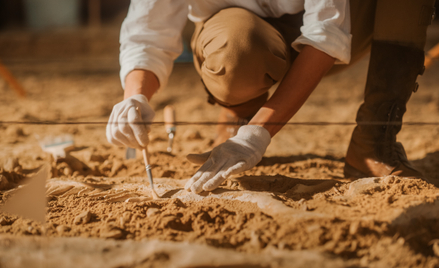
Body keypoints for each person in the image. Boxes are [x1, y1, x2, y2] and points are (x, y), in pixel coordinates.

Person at [107, 0, 436, 194]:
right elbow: (148, 33)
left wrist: (256, 135)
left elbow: (326, 35)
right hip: (238, 35)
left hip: (341, 32)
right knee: (237, 49)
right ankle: (240, 108)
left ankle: (374, 138)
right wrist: (135, 97)